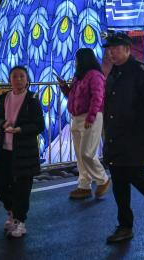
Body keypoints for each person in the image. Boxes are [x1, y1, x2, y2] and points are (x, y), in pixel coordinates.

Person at [100, 31, 144, 245]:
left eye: (115, 48)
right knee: (119, 181)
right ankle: (125, 226)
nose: (111, 53)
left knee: (134, 174)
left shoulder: (142, 73)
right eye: (109, 49)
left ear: (128, 49)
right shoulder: (113, 74)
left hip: (136, 136)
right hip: (116, 137)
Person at [0, 65, 45, 239]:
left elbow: (39, 125)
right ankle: (12, 211)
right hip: (4, 149)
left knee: (22, 188)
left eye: (22, 76)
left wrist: (21, 129)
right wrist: (2, 124)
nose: (18, 79)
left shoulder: (32, 99)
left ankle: (20, 222)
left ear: (27, 80)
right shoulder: (4, 97)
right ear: (10, 79)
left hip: (24, 151)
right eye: (15, 76)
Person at [57, 47, 109, 200]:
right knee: (80, 155)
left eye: (77, 59)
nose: (75, 62)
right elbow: (72, 96)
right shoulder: (78, 77)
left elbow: (98, 97)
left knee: (87, 152)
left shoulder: (95, 76)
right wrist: (63, 87)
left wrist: (91, 117)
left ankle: (103, 179)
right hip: (77, 117)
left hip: (91, 116)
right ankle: (84, 185)